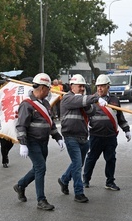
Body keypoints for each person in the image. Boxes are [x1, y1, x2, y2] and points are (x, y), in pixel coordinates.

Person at [13, 73, 65, 211]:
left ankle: (20, 185)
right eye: (48, 89)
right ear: (42, 88)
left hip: (43, 142)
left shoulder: (46, 103)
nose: (49, 92)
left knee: (37, 168)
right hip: (32, 142)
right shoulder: (27, 105)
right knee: (41, 168)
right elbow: (21, 125)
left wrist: (58, 137)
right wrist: (23, 143)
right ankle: (41, 200)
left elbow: (50, 123)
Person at [58, 74, 106, 203]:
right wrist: (95, 97)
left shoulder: (82, 99)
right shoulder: (67, 98)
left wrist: (93, 102)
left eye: (83, 86)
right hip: (70, 136)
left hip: (84, 136)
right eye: (80, 86)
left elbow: (91, 111)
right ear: (72, 87)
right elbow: (80, 101)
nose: (82, 88)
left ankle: (64, 179)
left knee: (77, 163)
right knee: (78, 164)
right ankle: (79, 193)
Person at [83, 74, 131, 191]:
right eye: (98, 86)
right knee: (91, 158)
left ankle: (110, 182)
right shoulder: (92, 99)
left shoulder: (114, 100)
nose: (100, 88)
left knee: (111, 159)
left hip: (110, 136)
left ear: (108, 87)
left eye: (102, 86)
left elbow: (120, 117)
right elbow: (83, 114)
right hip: (96, 135)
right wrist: (86, 125)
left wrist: (126, 130)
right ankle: (85, 180)